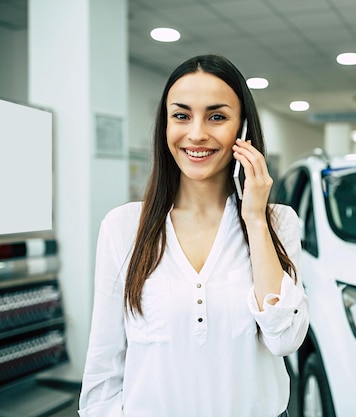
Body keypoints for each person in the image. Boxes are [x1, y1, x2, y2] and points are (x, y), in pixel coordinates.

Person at [78, 54, 309, 417]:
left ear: (243, 130)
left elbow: (285, 339)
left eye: (217, 116)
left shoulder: (279, 223)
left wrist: (254, 219)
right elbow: (104, 369)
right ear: (164, 126)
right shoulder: (123, 228)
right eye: (181, 115)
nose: (197, 132)